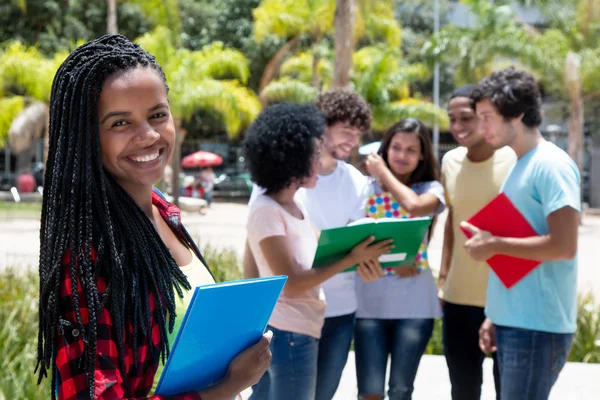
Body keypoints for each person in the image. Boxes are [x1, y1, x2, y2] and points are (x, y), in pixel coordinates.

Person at [36, 34, 271, 400]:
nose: (148, 135)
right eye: (120, 123)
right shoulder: (88, 256)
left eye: (157, 115)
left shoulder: (163, 210)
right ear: (87, 138)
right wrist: (225, 388)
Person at [244, 102, 393, 400]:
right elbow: (295, 282)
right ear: (292, 160)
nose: (319, 161)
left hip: (303, 329)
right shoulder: (266, 209)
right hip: (288, 332)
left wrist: (364, 254)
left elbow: (321, 254)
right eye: (313, 154)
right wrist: (353, 258)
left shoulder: (295, 205)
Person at [464, 67, 580, 400]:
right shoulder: (519, 165)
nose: (480, 127)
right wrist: (494, 315)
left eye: (487, 117)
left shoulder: (550, 165)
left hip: (537, 327)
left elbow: (564, 246)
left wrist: (494, 244)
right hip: (516, 323)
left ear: (516, 114)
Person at [355, 118, 446, 400]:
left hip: (415, 307)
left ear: (421, 156)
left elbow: (414, 206)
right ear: (385, 148)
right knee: (369, 392)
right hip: (369, 304)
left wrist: (383, 172)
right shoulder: (363, 186)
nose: (402, 155)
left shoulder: (431, 189)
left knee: (401, 390)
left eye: (410, 150)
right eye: (396, 147)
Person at [438, 84, 516, 400]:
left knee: (506, 392)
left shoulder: (514, 161)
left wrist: (501, 304)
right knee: (463, 392)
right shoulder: (450, 162)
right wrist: (442, 280)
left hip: (504, 302)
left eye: (466, 118)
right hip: (457, 300)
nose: (457, 127)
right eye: (452, 119)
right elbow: (452, 224)